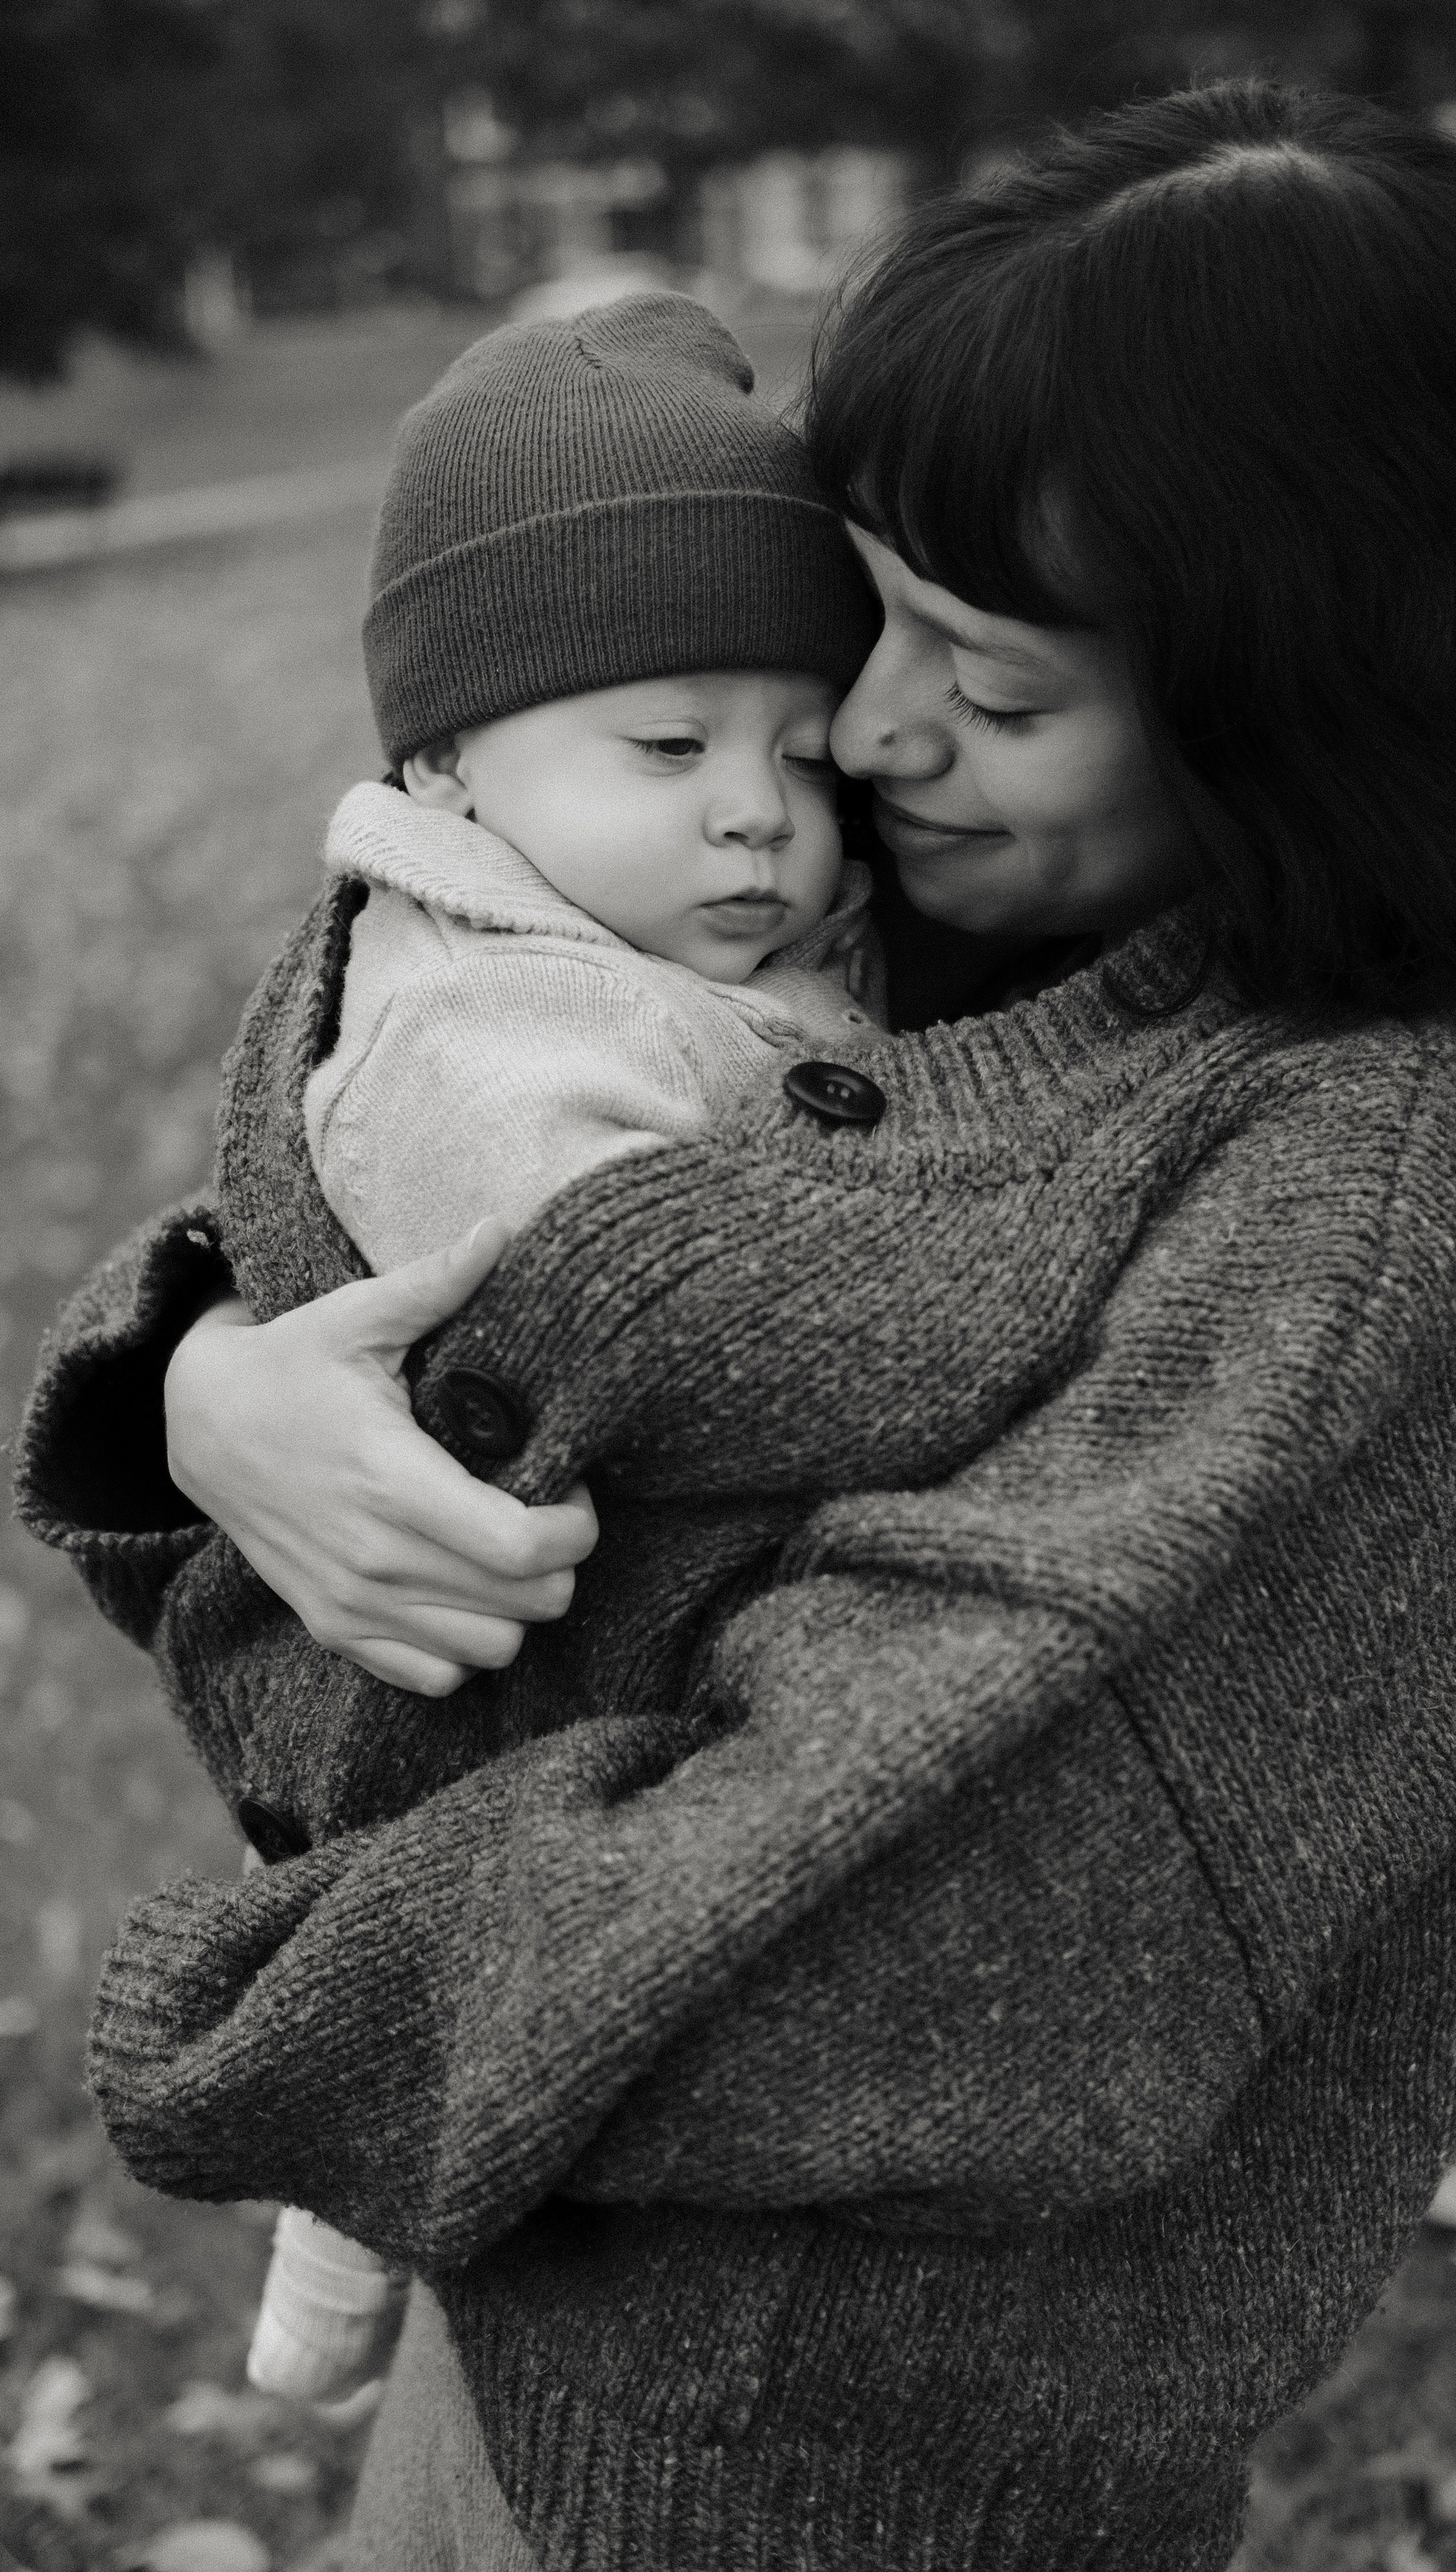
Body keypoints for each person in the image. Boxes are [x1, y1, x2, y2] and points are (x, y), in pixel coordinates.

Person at [16, 80, 1456, 2572]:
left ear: (1313, 705)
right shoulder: (958, 889)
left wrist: (288, 2010)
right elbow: (421, 975)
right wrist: (204, 1391)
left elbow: (925, 1964)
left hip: (829, 2461)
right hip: (546, 2288)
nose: (870, 741)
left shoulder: (1375, 1210)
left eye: (991, 683)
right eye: (868, 615)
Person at [243, 293, 882, 2401]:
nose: (757, 816)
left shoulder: (670, 933)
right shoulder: (477, 1034)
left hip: (638, 1682)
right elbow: (671, 1322)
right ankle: (347, 2270)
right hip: (527, 1670)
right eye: (672, 747)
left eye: (802, 747)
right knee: (434, 1969)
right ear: (443, 759)